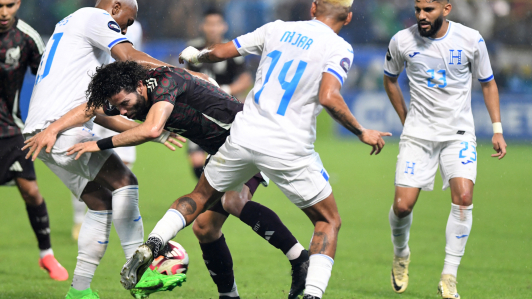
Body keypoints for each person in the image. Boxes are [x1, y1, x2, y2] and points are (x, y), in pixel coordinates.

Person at [123, 0, 391, 298]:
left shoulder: (277, 29)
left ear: (313, 8)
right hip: (288, 144)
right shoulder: (339, 47)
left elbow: (221, 51)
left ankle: (155, 242)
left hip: (244, 134)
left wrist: (197, 55)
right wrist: (361, 130)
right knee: (327, 220)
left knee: (200, 199)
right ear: (349, 17)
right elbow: (329, 97)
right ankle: (311, 291)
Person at [45, 60, 310, 299]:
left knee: (233, 201)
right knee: (205, 228)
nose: (124, 112)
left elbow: (151, 129)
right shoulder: (130, 94)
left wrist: (98, 144)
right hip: (223, 150)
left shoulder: (164, 82)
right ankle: (230, 295)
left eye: (125, 104)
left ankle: (300, 259)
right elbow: (88, 109)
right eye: (119, 107)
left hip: (249, 138)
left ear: (139, 85)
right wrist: (52, 129)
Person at [20, 1, 185, 298]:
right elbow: (128, 57)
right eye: (127, 20)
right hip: (57, 129)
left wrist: (149, 131)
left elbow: (98, 112)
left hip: (41, 132)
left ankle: (79, 291)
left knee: (100, 202)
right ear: (115, 6)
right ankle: (142, 273)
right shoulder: (95, 17)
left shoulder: (71, 25)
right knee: (125, 181)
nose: (126, 28)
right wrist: (181, 76)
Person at [382, 1, 507, 298]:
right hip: (418, 136)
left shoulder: (471, 39)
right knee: (402, 206)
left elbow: (488, 83)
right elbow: (389, 80)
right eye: (418, 9)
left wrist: (497, 128)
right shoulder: (402, 40)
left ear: (446, 9)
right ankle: (401, 254)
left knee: (463, 198)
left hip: (458, 134)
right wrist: (405, 119)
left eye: (429, 10)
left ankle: (449, 276)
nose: (422, 16)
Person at [0, 0, 68, 281]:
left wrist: (50, 123)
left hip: (10, 129)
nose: (4, 12)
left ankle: (46, 255)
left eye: (10, 5)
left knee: (31, 191)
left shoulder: (27, 38)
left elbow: (47, 81)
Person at [70, 20, 144, 241]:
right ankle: (78, 219)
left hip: (121, 101)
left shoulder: (136, 28)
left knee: (123, 168)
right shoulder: (93, 24)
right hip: (96, 101)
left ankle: (112, 221)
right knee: (86, 161)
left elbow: (132, 61)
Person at [185, 7, 253, 180]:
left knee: (222, 161)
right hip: (198, 114)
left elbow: (245, 79)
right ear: (203, 26)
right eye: (209, 24)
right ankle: (209, 199)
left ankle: (216, 200)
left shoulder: (231, 50)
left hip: (224, 115)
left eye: (217, 24)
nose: (213, 28)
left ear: (224, 26)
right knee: (197, 163)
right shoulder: (194, 49)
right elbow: (185, 78)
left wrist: (225, 90)